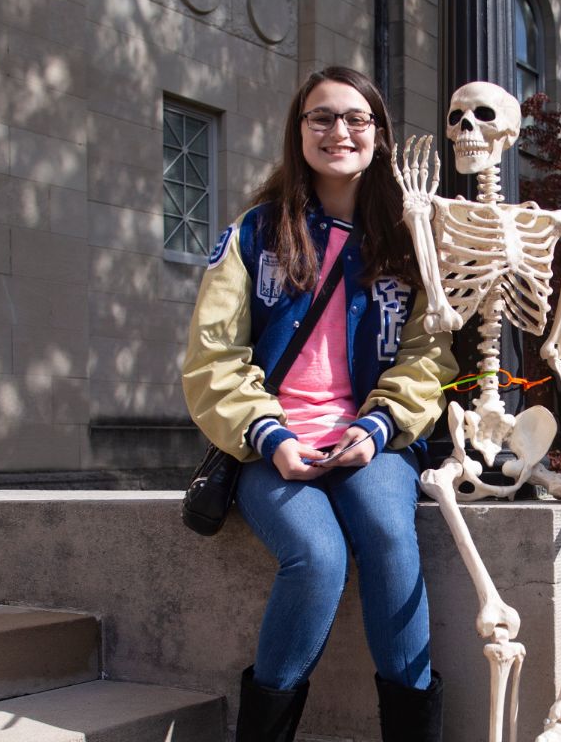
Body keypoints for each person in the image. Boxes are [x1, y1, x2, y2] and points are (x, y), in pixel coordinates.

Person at [181, 66, 456, 742]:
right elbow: (210, 358)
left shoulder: (410, 239)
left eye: (357, 118)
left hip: (372, 438)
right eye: (323, 118)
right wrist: (271, 436)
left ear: (379, 135)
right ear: (298, 132)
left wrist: (380, 423)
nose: (340, 131)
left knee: (391, 536)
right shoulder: (254, 234)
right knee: (319, 557)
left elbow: (429, 355)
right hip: (270, 442)